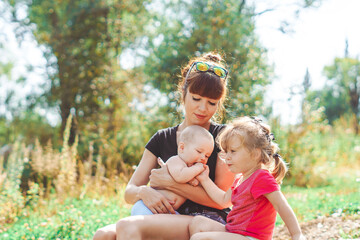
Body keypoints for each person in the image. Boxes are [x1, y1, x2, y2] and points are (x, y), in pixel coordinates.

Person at [93, 51, 235, 240]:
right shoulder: (161, 138)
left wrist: (170, 183)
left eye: (211, 103)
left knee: (129, 227)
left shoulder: (223, 138)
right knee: (103, 234)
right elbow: (129, 192)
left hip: (205, 219)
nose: (203, 108)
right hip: (165, 215)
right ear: (183, 93)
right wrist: (145, 192)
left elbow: (222, 201)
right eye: (196, 99)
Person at [189, 116, 306, 240]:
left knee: (199, 238)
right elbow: (223, 200)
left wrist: (296, 234)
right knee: (198, 223)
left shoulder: (261, 177)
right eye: (226, 151)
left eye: (233, 151)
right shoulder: (240, 178)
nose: (227, 157)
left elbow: (281, 206)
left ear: (255, 154)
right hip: (234, 233)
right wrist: (205, 179)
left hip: (251, 237)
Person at [132, 125, 215, 214]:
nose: (203, 158)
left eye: (207, 156)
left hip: (168, 210)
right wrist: (197, 168)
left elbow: (192, 183)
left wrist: (197, 180)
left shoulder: (189, 170)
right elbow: (180, 177)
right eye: (199, 151)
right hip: (149, 206)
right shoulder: (176, 161)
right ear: (182, 148)